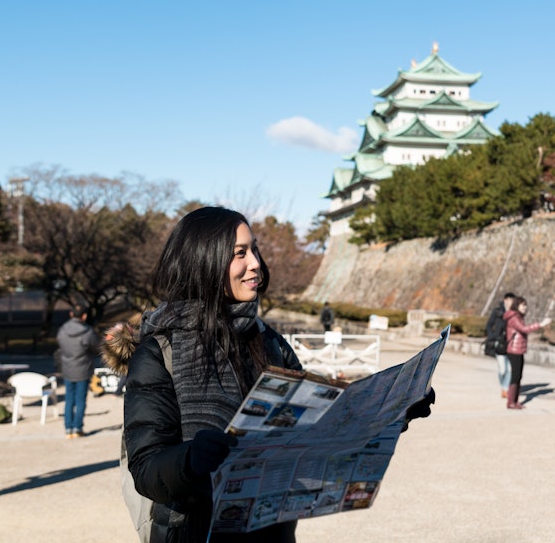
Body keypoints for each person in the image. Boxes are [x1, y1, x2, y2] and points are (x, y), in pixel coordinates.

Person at [115, 206, 435, 542]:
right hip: (194, 531)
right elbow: (147, 469)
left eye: (253, 249)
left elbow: (321, 427)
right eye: (240, 253)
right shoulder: (158, 353)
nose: (255, 262)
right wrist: (190, 459)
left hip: (271, 531)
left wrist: (394, 409)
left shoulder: (269, 341)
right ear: (204, 260)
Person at [56, 303, 101, 438]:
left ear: (71, 314)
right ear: (84, 316)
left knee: (69, 398)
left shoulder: (63, 330)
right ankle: (77, 428)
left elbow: (60, 344)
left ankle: (68, 428)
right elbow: (96, 348)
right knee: (80, 399)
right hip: (83, 369)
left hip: (67, 368)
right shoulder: (87, 332)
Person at [504, 296, 551, 409]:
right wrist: (540, 324)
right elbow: (524, 329)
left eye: (525, 305)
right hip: (514, 350)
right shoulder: (514, 317)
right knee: (515, 376)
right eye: (523, 305)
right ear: (517, 305)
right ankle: (511, 402)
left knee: (518, 376)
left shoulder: (519, 316)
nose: (525, 307)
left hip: (519, 349)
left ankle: (515, 401)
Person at [484, 292, 515, 399]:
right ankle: (503, 385)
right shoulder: (497, 311)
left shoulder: (514, 313)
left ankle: (505, 389)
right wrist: (493, 337)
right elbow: (489, 325)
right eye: (510, 300)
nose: (511, 302)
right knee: (502, 370)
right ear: (505, 300)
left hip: (511, 345)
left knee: (510, 369)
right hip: (499, 344)